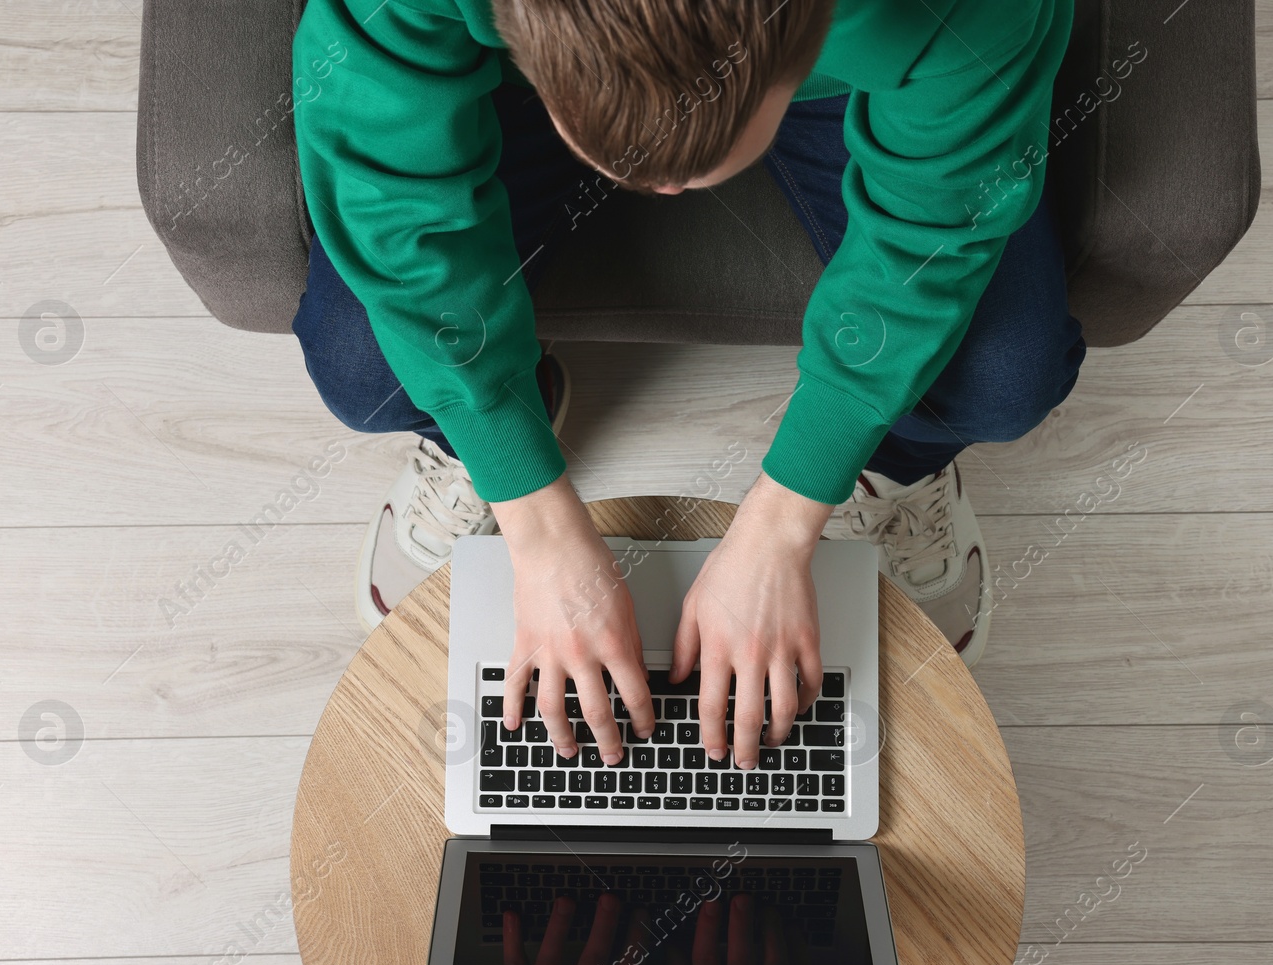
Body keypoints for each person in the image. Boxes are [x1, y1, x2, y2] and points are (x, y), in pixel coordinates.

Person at [291, 0, 1085, 773]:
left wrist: (785, 521)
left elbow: (935, 233)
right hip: (508, 77)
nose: (667, 193)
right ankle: (491, 422)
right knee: (360, 361)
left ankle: (898, 462)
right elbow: (388, 201)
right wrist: (533, 516)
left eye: (698, 169)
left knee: (1005, 369)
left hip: (848, 73)